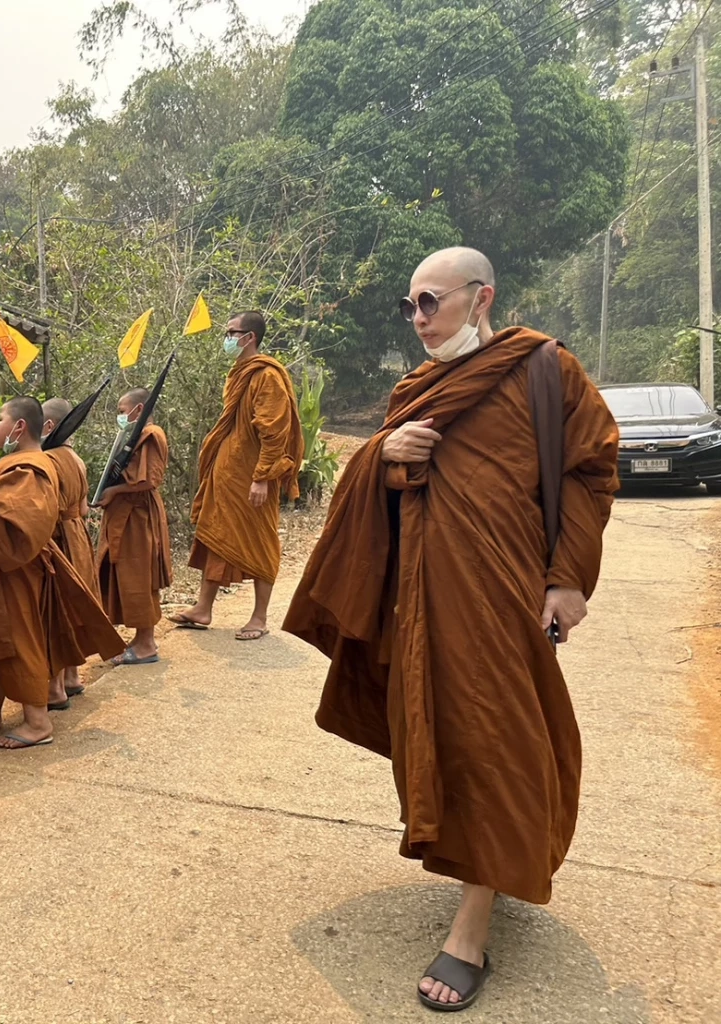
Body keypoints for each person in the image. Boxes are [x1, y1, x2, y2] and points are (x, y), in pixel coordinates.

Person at [282, 247, 619, 1012]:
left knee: (497, 742)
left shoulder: (544, 370)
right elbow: (392, 488)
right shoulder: (415, 388)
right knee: (443, 736)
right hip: (421, 601)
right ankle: (472, 861)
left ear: (480, 296)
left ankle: (470, 931)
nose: (418, 318)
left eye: (430, 301)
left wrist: (568, 578)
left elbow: (591, 471)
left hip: (502, 598)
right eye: (409, 305)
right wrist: (383, 454)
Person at [0, 396, 125, 749]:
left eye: (0, 420)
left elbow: (28, 523)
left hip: (15, 570)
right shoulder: (17, 462)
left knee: (17, 638)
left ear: (19, 426)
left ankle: (38, 722)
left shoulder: (32, 467)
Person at [171, 310, 303, 640]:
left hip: (253, 475)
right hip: (227, 474)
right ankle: (203, 608)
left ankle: (259, 617)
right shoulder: (239, 372)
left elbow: (274, 431)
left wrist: (262, 477)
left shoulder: (267, 376)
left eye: (231, 332)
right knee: (214, 534)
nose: (227, 338)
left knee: (260, 539)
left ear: (249, 337)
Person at [94, 388, 173, 665]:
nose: (120, 416)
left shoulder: (152, 434)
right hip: (126, 517)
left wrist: (115, 491)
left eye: (122, 411)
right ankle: (140, 639)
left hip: (139, 517)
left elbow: (149, 480)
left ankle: (147, 644)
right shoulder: (137, 435)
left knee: (139, 575)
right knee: (127, 575)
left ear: (139, 410)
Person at [41, 397, 99, 708]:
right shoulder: (76, 459)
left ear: (49, 426)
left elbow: (46, 511)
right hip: (78, 537)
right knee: (73, 606)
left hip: (59, 539)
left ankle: (55, 689)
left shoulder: (49, 460)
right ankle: (72, 677)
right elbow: (84, 509)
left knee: (56, 611)